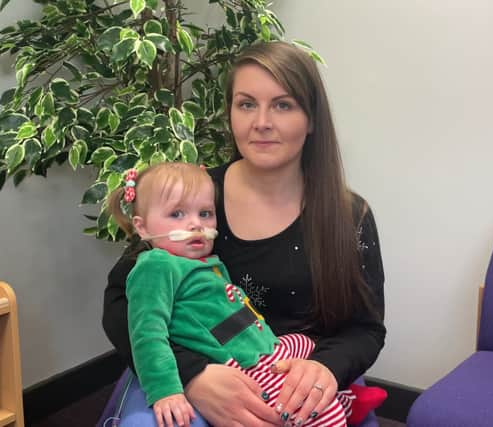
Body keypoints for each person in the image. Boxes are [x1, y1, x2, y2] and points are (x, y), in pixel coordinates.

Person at [102, 40, 386, 427]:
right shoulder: (195, 199)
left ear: (312, 119)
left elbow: (366, 328)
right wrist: (193, 375)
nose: (261, 122)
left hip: (297, 375)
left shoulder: (349, 215)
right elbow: (122, 300)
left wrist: (326, 369)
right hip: (185, 368)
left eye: (283, 105)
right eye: (246, 104)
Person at [106, 162, 377, 427]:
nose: (194, 225)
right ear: (142, 228)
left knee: (303, 344)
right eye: (177, 214)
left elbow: (366, 328)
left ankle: (342, 398)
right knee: (291, 401)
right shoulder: (157, 264)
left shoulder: (203, 260)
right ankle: (329, 414)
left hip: (267, 344)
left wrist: (326, 367)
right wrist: (171, 386)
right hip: (238, 361)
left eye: (205, 214)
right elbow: (145, 331)